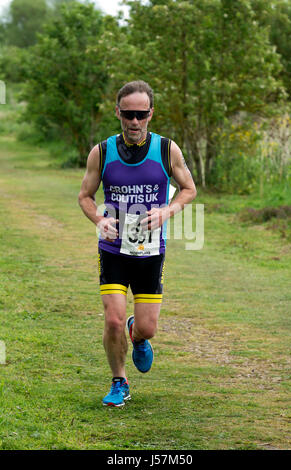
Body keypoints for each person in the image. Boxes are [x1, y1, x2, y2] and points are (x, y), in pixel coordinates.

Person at [78, 80, 197, 407]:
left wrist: (168, 211)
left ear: (150, 114)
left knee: (147, 329)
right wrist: (100, 220)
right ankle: (119, 381)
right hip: (113, 250)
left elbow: (189, 189)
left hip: (150, 252)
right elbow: (85, 196)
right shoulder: (102, 152)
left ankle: (138, 334)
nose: (134, 121)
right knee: (112, 319)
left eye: (141, 115)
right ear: (118, 112)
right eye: (128, 114)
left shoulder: (166, 149)